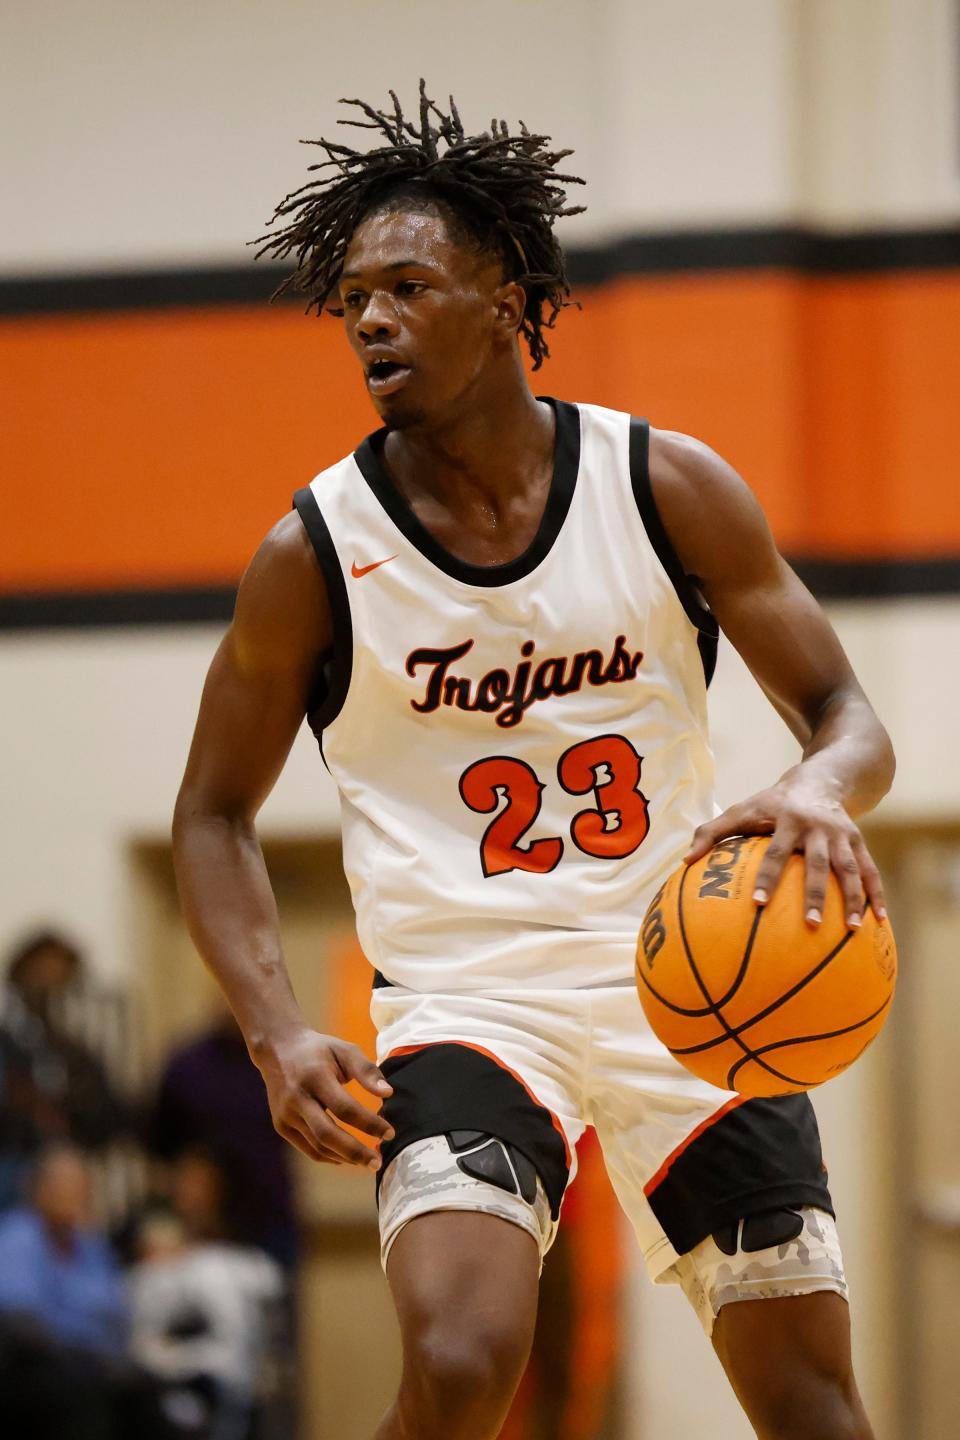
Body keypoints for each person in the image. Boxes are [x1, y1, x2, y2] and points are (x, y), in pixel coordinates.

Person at [172, 83, 894, 1440]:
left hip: (688, 977)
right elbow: (210, 815)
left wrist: (814, 784)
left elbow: (849, 711)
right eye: (352, 301)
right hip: (468, 996)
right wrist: (274, 1032)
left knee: (814, 1407)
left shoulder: (662, 485)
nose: (369, 319)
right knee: (461, 1358)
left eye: (404, 285)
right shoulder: (314, 554)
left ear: (506, 295)